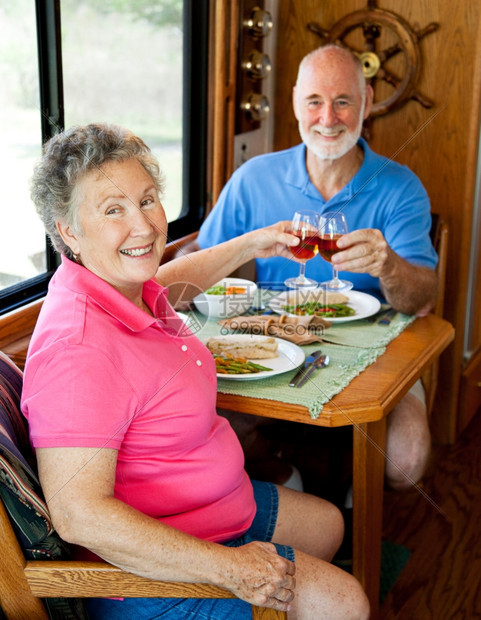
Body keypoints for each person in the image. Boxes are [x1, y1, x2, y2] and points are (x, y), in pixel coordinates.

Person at [21, 123, 369, 619]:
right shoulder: (77, 350)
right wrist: (231, 569)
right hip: (148, 576)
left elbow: (172, 277)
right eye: (112, 210)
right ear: (68, 230)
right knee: (347, 603)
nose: (142, 227)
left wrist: (255, 243)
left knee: (328, 524)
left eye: (146, 201)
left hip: (205, 514)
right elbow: (80, 516)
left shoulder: (121, 288)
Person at [187, 44, 438, 492]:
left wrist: (389, 265)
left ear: (367, 100)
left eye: (343, 101)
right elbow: (198, 271)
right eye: (315, 102)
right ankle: (284, 478)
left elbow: (422, 298)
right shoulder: (253, 177)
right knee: (195, 409)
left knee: (405, 461)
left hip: (373, 356)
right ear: (295, 103)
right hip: (270, 344)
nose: (328, 118)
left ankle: (348, 492)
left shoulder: (402, 188)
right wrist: (235, 261)